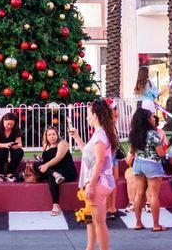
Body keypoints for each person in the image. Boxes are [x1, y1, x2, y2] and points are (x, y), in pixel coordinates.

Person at [71, 99, 115, 250]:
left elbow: (100, 161)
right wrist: (77, 138)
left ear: (95, 115)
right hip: (96, 181)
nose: (86, 117)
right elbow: (89, 154)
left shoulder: (100, 136)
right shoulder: (99, 134)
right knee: (90, 220)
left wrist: (91, 185)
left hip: (98, 182)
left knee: (99, 222)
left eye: (88, 114)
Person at [127, 108, 168, 231]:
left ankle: (138, 223)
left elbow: (132, 150)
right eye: (151, 117)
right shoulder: (153, 134)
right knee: (153, 195)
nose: (153, 118)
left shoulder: (133, 133)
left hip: (138, 163)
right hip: (152, 164)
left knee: (139, 193)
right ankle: (156, 225)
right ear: (146, 119)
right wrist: (166, 146)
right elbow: (160, 153)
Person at [35, 126, 78, 216]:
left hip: (67, 171)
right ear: (46, 136)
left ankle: (56, 206)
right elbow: (46, 161)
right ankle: (55, 174)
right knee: (36, 165)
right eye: (49, 135)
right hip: (55, 170)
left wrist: (46, 165)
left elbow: (58, 158)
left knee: (51, 178)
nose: (52, 136)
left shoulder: (62, 143)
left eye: (53, 134)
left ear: (57, 135)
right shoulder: (45, 145)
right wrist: (42, 161)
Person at [0, 113, 24, 181]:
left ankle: (10, 172)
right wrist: (5, 145)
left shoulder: (16, 128)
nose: (9, 126)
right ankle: (0, 173)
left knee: (20, 152)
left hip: (11, 148)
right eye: (8, 124)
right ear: (3, 121)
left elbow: (20, 144)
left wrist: (16, 146)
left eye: (11, 124)